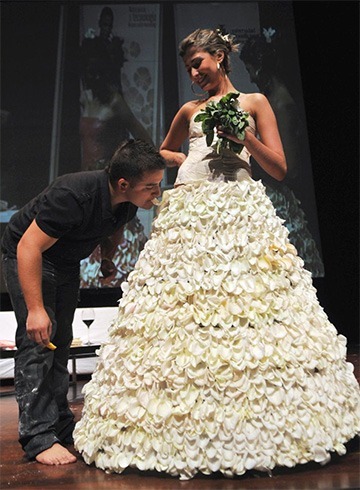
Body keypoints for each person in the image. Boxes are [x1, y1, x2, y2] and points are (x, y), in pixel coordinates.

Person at [74, 28, 360, 480]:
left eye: (199, 63)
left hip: (239, 211)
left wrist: (242, 138)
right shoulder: (189, 110)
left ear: (221, 56)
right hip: (188, 209)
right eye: (189, 67)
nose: (193, 73)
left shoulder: (256, 102)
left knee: (247, 309)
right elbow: (167, 150)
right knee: (181, 314)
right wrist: (171, 160)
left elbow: (280, 169)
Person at [0, 139, 165, 466]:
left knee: (60, 342)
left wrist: (107, 259)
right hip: (32, 257)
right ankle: (37, 436)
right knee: (38, 342)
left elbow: (113, 229)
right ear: (123, 183)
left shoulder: (128, 202)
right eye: (151, 187)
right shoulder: (73, 195)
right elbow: (28, 248)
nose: (156, 193)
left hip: (64, 262)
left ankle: (60, 425)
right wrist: (34, 310)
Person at [239, 28, 324, 277]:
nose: (252, 78)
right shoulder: (267, 99)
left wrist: (253, 148)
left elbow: (292, 168)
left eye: (250, 70)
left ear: (261, 65)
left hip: (279, 197)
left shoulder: (281, 103)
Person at [80, 6, 153, 171]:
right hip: (87, 174)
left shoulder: (114, 101)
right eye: (88, 71)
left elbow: (145, 140)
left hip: (106, 174)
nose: (92, 76)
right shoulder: (84, 98)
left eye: (96, 72)